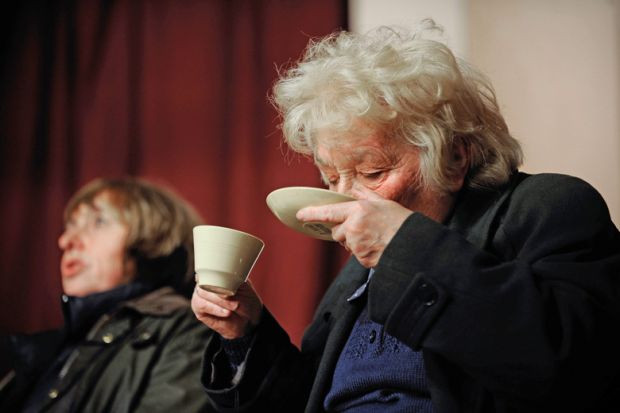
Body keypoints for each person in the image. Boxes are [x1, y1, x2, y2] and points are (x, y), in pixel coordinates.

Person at [191, 19, 620, 412]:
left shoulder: (550, 207)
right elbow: (308, 399)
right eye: (331, 177)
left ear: (453, 159)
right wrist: (246, 335)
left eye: (372, 172)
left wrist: (406, 249)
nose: (345, 199)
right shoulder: (354, 279)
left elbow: (571, 366)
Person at [0, 177, 215, 412]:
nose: (66, 241)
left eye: (98, 221)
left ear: (153, 238)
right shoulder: (56, 349)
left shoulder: (186, 328)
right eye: (70, 226)